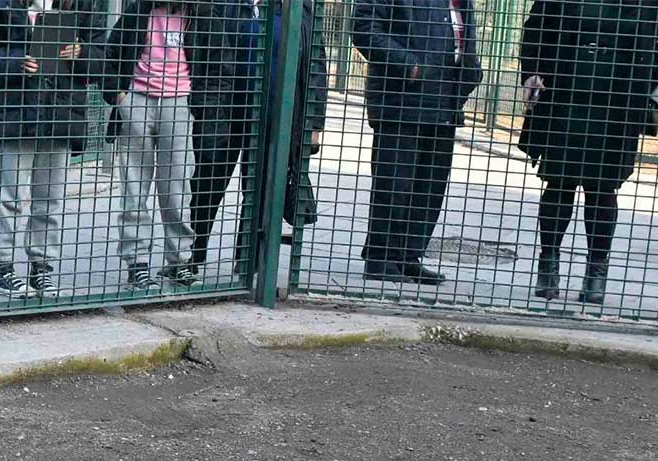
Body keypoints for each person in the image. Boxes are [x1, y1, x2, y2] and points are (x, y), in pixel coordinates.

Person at [518, 0, 658, 304]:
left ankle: (596, 272)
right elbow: (537, 27)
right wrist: (532, 71)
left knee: (603, 187)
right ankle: (548, 265)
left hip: (618, 96)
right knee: (558, 180)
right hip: (565, 90)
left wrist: (644, 78)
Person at [99, 0, 240, 290]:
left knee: (176, 188)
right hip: (137, 99)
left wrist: (196, 107)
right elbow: (110, 54)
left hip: (179, 103)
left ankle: (179, 261)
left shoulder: (202, 14)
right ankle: (136, 264)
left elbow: (221, 66)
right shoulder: (138, 10)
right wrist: (119, 98)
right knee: (134, 188)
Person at [0, 0, 107, 297]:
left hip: (60, 114)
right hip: (16, 114)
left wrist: (80, 54)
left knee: (50, 200)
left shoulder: (83, 8)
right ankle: (2, 268)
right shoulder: (3, 6)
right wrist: (18, 61)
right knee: (11, 197)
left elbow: (103, 59)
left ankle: (41, 269)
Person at [189, 0, 328, 277]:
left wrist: (314, 121)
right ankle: (193, 254)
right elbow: (198, 49)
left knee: (258, 191)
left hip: (274, 116)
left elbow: (316, 64)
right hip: (223, 110)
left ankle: (247, 263)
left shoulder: (299, 7)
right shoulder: (223, 4)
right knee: (207, 183)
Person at [351, 0, 482, 285]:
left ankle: (408, 257)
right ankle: (380, 257)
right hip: (401, 99)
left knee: (430, 184)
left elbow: (463, 35)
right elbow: (364, 29)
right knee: (394, 182)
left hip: (446, 99)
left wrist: (472, 70)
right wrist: (409, 65)